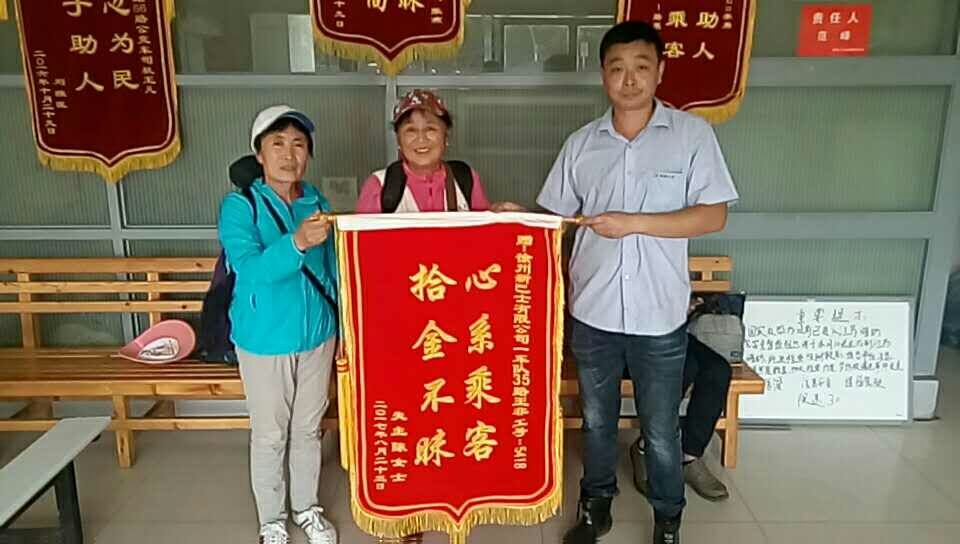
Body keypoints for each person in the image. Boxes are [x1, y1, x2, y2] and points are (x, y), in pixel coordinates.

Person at [534, 21, 739, 544]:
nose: (629, 80)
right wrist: (514, 217)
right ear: (603, 75)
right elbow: (556, 220)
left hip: (658, 314)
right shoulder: (581, 144)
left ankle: (668, 520)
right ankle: (595, 508)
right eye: (617, 68)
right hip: (593, 312)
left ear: (660, 72)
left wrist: (634, 222)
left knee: (661, 428)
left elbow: (713, 215)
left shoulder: (692, 137)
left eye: (641, 68)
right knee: (597, 422)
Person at [218, 105, 339, 544]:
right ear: (259, 153)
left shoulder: (316, 202)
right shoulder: (240, 206)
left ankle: (306, 509)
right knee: (271, 434)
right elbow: (249, 268)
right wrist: (297, 242)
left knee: (308, 428)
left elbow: (333, 270)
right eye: (278, 144)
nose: (289, 154)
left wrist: (343, 327)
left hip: (318, 335)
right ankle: (272, 519)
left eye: (299, 144)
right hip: (264, 338)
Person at [356, 88, 496, 214]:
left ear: (445, 137)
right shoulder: (379, 185)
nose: (421, 139)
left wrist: (499, 214)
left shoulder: (466, 179)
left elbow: (484, 229)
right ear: (398, 140)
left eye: (430, 129)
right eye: (411, 130)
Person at [631, 332, 733, 502]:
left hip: (673, 331)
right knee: (684, 366)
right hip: (628, 336)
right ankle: (645, 446)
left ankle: (689, 455)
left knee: (718, 370)